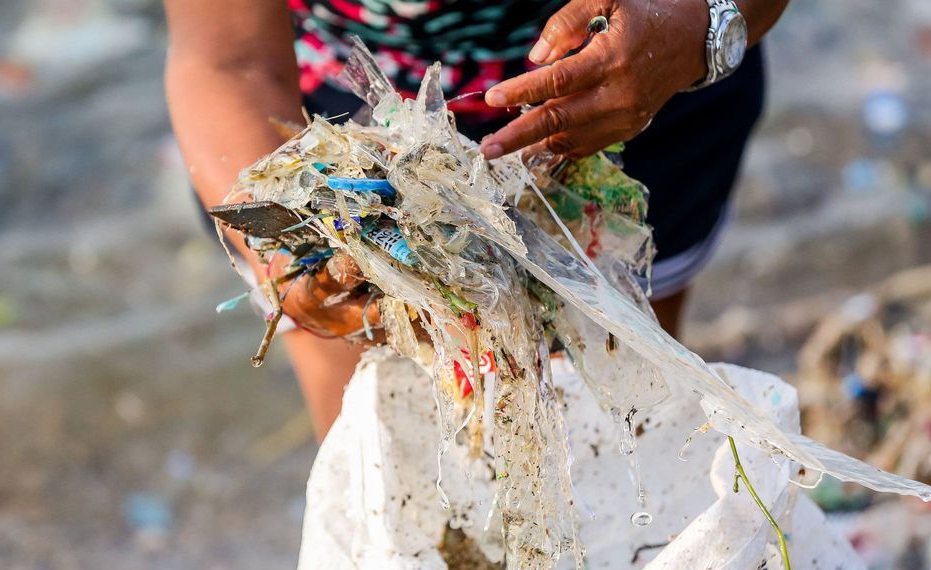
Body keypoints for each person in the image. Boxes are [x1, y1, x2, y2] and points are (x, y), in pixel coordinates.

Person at [163, 0, 789, 440]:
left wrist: (704, 19)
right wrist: (288, 256)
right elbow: (229, 60)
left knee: (609, 420)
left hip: (634, 88)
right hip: (332, 124)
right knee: (377, 435)